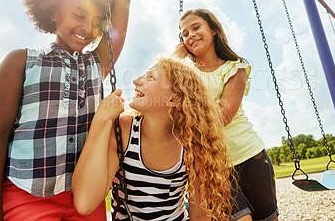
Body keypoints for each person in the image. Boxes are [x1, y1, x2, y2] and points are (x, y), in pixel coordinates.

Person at [0, 0, 130, 220]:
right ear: (53, 12)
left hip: (86, 197)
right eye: (78, 15)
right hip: (27, 195)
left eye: (96, 22)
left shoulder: (98, 63)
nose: (87, 28)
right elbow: (0, 135)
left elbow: (123, 0)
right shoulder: (22, 61)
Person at [72, 57, 233, 220]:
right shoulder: (124, 131)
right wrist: (101, 119)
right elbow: (85, 203)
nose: (136, 81)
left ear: (173, 99)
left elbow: (200, 215)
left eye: (151, 77)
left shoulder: (192, 144)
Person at [174, 8, 279, 221]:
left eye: (196, 28)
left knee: (267, 219)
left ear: (212, 30)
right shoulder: (183, 73)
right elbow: (158, 82)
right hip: (214, 165)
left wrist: (188, 117)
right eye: (184, 34)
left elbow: (224, 115)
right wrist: (175, 57)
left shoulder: (234, 68)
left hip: (250, 154)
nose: (190, 35)